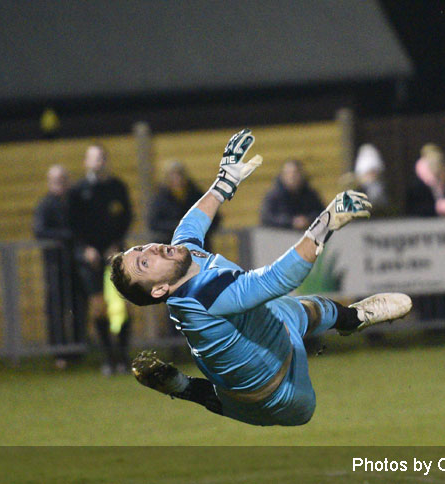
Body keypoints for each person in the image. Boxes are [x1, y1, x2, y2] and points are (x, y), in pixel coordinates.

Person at [108, 130, 411, 426]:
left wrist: (224, 182)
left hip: (268, 327)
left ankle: (355, 318)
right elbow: (277, 279)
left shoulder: (181, 255)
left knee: (309, 308)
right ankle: (179, 386)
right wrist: (325, 224)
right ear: (161, 289)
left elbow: (192, 222)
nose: (153, 249)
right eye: (145, 262)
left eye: (141, 248)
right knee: (297, 396)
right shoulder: (204, 297)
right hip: (276, 394)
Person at [68, 144, 133, 375]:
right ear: (86, 162)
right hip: (90, 257)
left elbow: (126, 218)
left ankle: (124, 355)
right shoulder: (77, 191)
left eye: (101, 158)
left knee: (124, 304)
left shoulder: (117, 187)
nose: (98, 162)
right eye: (93, 158)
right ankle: (109, 357)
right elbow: (72, 224)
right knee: (98, 306)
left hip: (115, 254)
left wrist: (116, 245)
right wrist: (86, 248)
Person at [405, 143, 445, 325]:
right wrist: (436, 209)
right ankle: (429, 321)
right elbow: (412, 210)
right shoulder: (417, 185)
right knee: (427, 283)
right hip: (425, 243)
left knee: (444, 281)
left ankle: (444, 320)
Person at [32, 164, 81, 368]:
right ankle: (59, 353)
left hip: (75, 263)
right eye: (56, 180)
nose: (60, 184)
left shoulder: (73, 203)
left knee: (78, 306)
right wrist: (67, 236)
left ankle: (78, 349)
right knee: (56, 308)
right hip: (55, 265)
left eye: (63, 180)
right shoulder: (45, 205)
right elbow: (40, 231)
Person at [148, 160, 221, 244]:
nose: (177, 179)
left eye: (179, 175)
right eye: (172, 175)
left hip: (196, 244)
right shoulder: (160, 198)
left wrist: (199, 229)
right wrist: (178, 227)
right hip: (168, 244)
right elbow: (154, 223)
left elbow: (215, 217)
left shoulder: (196, 195)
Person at [259, 160, 324, 230]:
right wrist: (291, 222)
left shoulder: (311, 195)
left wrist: (308, 220)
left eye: (295, 173)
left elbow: (322, 213)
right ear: (283, 176)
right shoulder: (273, 196)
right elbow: (266, 218)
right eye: (289, 173)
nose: (292, 176)